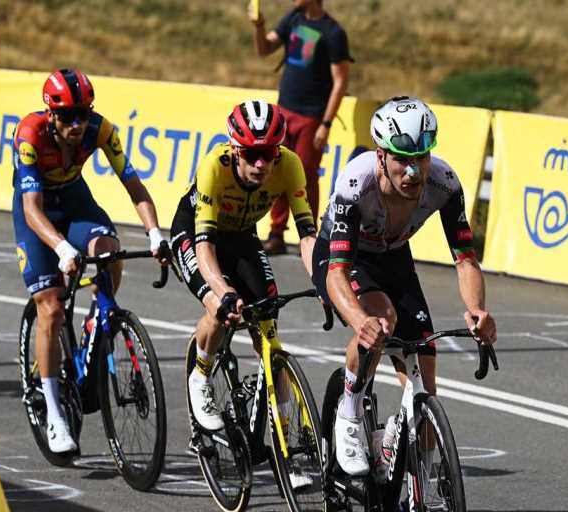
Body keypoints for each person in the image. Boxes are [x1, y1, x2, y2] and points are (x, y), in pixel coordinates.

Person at [312, 96, 498, 477]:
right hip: (342, 255)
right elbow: (336, 273)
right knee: (379, 320)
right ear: (381, 156)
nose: (413, 171)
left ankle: (400, 461)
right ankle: (348, 411)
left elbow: (465, 259)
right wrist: (358, 318)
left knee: (425, 387)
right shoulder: (356, 184)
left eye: (422, 158)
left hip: (393, 254)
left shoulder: (444, 183)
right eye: (401, 159)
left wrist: (478, 310)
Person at [12, 68, 169, 454]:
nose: (77, 124)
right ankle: (53, 413)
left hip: (75, 200)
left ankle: (97, 320)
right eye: (68, 116)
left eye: (83, 113)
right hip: (38, 214)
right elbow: (32, 209)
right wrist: (62, 248)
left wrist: (154, 233)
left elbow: (134, 185)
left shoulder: (102, 130)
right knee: (49, 308)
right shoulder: (29, 135)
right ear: (51, 114)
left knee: (111, 252)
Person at [170, 100, 317, 437]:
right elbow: (204, 247)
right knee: (219, 306)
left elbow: (308, 236)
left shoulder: (290, 165)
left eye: (269, 152)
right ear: (235, 149)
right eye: (252, 154)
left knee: (268, 328)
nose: (262, 163)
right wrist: (222, 291)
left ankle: (288, 444)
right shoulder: (214, 167)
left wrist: (324, 282)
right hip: (196, 234)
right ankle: (201, 374)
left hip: (241, 235)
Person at [250, 0, 352, 255]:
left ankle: (309, 235)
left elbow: (341, 81)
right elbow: (265, 49)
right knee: (277, 169)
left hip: (312, 116)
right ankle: (276, 232)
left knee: (305, 176)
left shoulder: (333, 32)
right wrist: (259, 26)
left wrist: (326, 123)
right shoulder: (293, 19)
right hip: (285, 109)